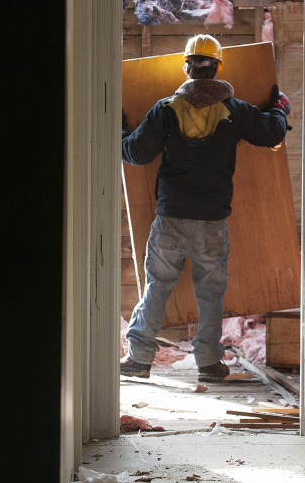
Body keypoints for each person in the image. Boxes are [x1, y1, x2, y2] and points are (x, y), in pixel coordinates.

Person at [120, 33, 290, 383]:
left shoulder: (166, 109)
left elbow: (136, 154)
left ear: (187, 66)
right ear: (216, 68)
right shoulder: (235, 110)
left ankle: (138, 360)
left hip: (171, 220)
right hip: (212, 222)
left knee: (157, 287)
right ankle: (210, 364)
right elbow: (273, 133)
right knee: (210, 294)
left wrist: (120, 132)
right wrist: (280, 106)